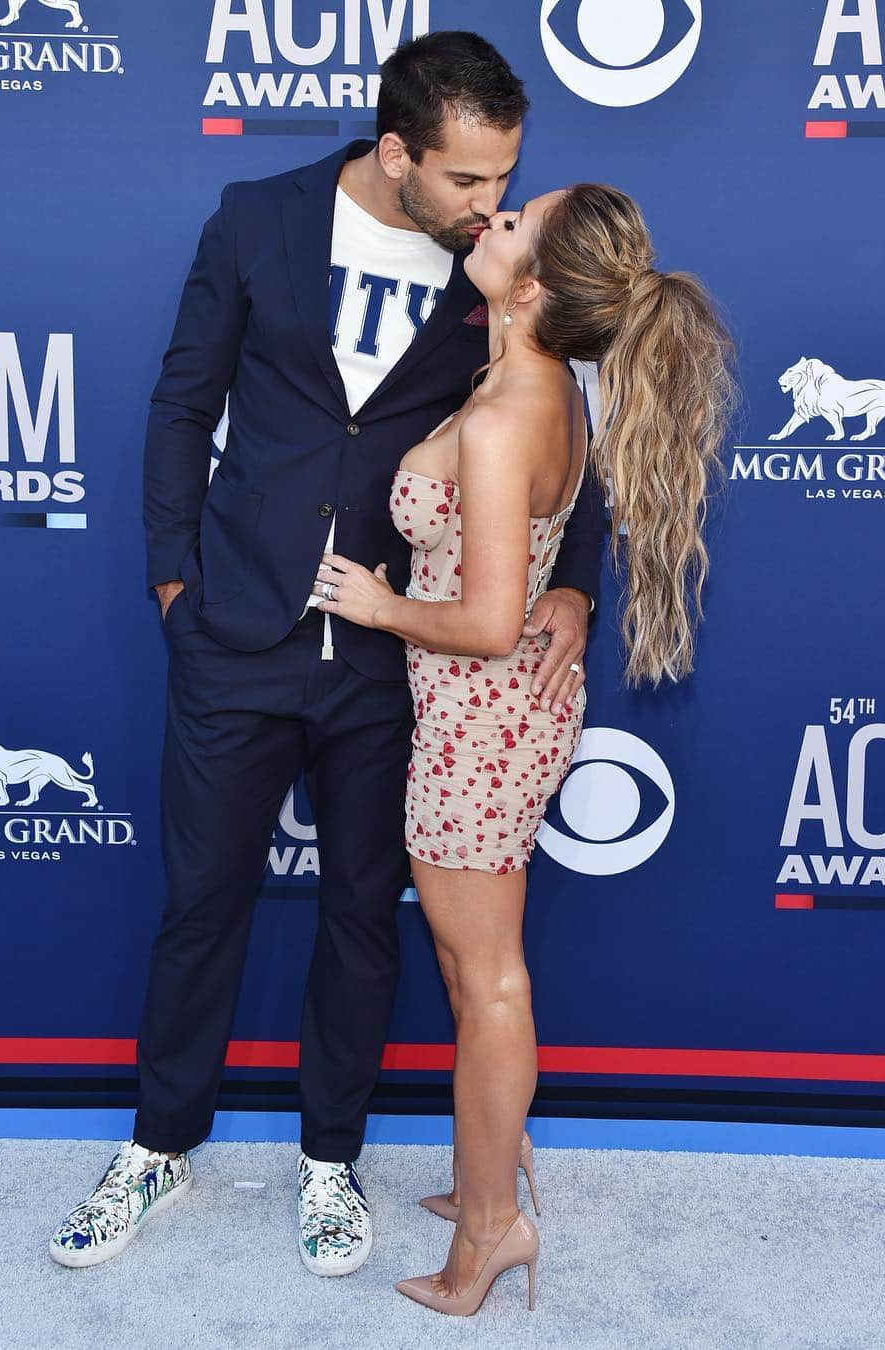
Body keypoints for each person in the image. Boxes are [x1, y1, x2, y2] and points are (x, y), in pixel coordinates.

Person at [48, 32, 606, 1275]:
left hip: (397, 654)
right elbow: (182, 403)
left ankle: (331, 1161)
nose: (491, 204)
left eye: (505, 177)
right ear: (398, 151)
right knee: (201, 906)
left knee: (363, 914)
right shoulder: (256, 219)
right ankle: (159, 1142)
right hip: (237, 626)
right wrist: (172, 582)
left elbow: (572, 423)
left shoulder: (503, 275)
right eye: (467, 180)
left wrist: (573, 581)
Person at [314, 183, 735, 1314]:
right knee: (470, 969)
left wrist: (379, 605)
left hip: (479, 727)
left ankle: (492, 1234)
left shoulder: (510, 412)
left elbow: (491, 622)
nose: (487, 224)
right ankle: (487, 1176)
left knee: (488, 980)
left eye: (511, 225)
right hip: (491, 722)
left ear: (535, 285)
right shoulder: (533, 387)